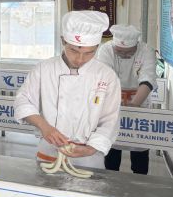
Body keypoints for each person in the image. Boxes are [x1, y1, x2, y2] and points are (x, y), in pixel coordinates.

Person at [14, 11, 121, 169]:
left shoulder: (106, 75)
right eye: (74, 51)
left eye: (89, 53)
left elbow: (110, 119)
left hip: (88, 157)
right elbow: (23, 101)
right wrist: (44, 127)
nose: (80, 59)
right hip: (49, 151)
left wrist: (91, 149)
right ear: (63, 41)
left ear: (97, 47)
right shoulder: (44, 69)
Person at [97, 24, 156, 174]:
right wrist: (115, 106)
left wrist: (134, 106)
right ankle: (111, 181)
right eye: (120, 52)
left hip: (139, 103)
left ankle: (140, 182)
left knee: (139, 151)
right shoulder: (106, 50)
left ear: (136, 45)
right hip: (112, 105)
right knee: (112, 150)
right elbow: (104, 79)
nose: (124, 55)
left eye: (129, 52)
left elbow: (148, 79)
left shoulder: (146, 51)